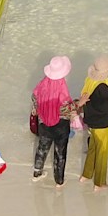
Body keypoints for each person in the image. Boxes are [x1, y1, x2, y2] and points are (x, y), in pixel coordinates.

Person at [76, 57, 108, 189]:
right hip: (102, 124)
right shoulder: (103, 88)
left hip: (90, 122)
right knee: (102, 152)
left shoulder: (89, 81)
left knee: (92, 149)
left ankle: (85, 175)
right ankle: (99, 182)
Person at [31, 56, 73, 185]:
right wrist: (78, 105)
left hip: (44, 123)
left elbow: (34, 98)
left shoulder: (43, 84)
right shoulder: (62, 86)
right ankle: (59, 180)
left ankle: (37, 173)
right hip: (60, 126)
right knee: (60, 153)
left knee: (42, 148)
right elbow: (65, 108)